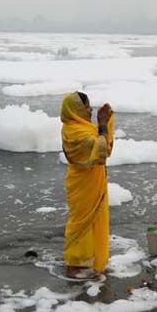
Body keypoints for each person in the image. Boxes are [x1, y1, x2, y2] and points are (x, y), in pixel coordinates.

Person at [60, 91, 114, 280]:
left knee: (94, 221)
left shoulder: (82, 127)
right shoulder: (74, 131)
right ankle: (75, 264)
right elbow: (101, 150)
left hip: (92, 181)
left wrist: (103, 124)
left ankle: (91, 261)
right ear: (76, 109)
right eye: (87, 106)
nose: (90, 109)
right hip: (82, 183)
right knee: (81, 223)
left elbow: (102, 145)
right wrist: (101, 124)